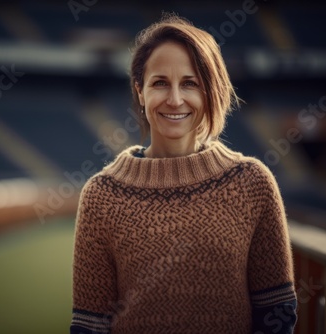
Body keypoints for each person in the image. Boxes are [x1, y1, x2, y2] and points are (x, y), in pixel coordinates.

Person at [70, 13, 297, 334]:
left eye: (190, 83)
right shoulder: (101, 195)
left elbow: (277, 314)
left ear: (209, 91)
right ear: (139, 91)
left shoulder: (252, 183)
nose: (175, 99)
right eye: (160, 82)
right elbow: (89, 325)